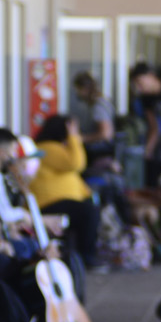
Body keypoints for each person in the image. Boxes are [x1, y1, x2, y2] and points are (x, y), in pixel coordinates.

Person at [32, 114, 104, 269]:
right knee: (88, 213)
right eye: (73, 129)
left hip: (60, 201)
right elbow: (76, 164)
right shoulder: (47, 147)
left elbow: (71, 175)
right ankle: (86, 258)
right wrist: (73, 137)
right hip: (49, 203)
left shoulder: (56, 149)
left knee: (90, 210)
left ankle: (79, 257)